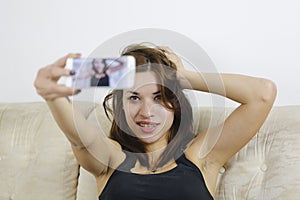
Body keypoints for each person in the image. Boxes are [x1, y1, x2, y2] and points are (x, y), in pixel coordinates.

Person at [34, 43, 277, 199]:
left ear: (175, 102)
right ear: (120, 106)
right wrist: (53, 94)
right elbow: (81, 140)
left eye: (159, 96)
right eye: (134, 98)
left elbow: (262, 94)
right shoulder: (112, 159)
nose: (146, 112)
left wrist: (184, 78)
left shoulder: (201, 157)